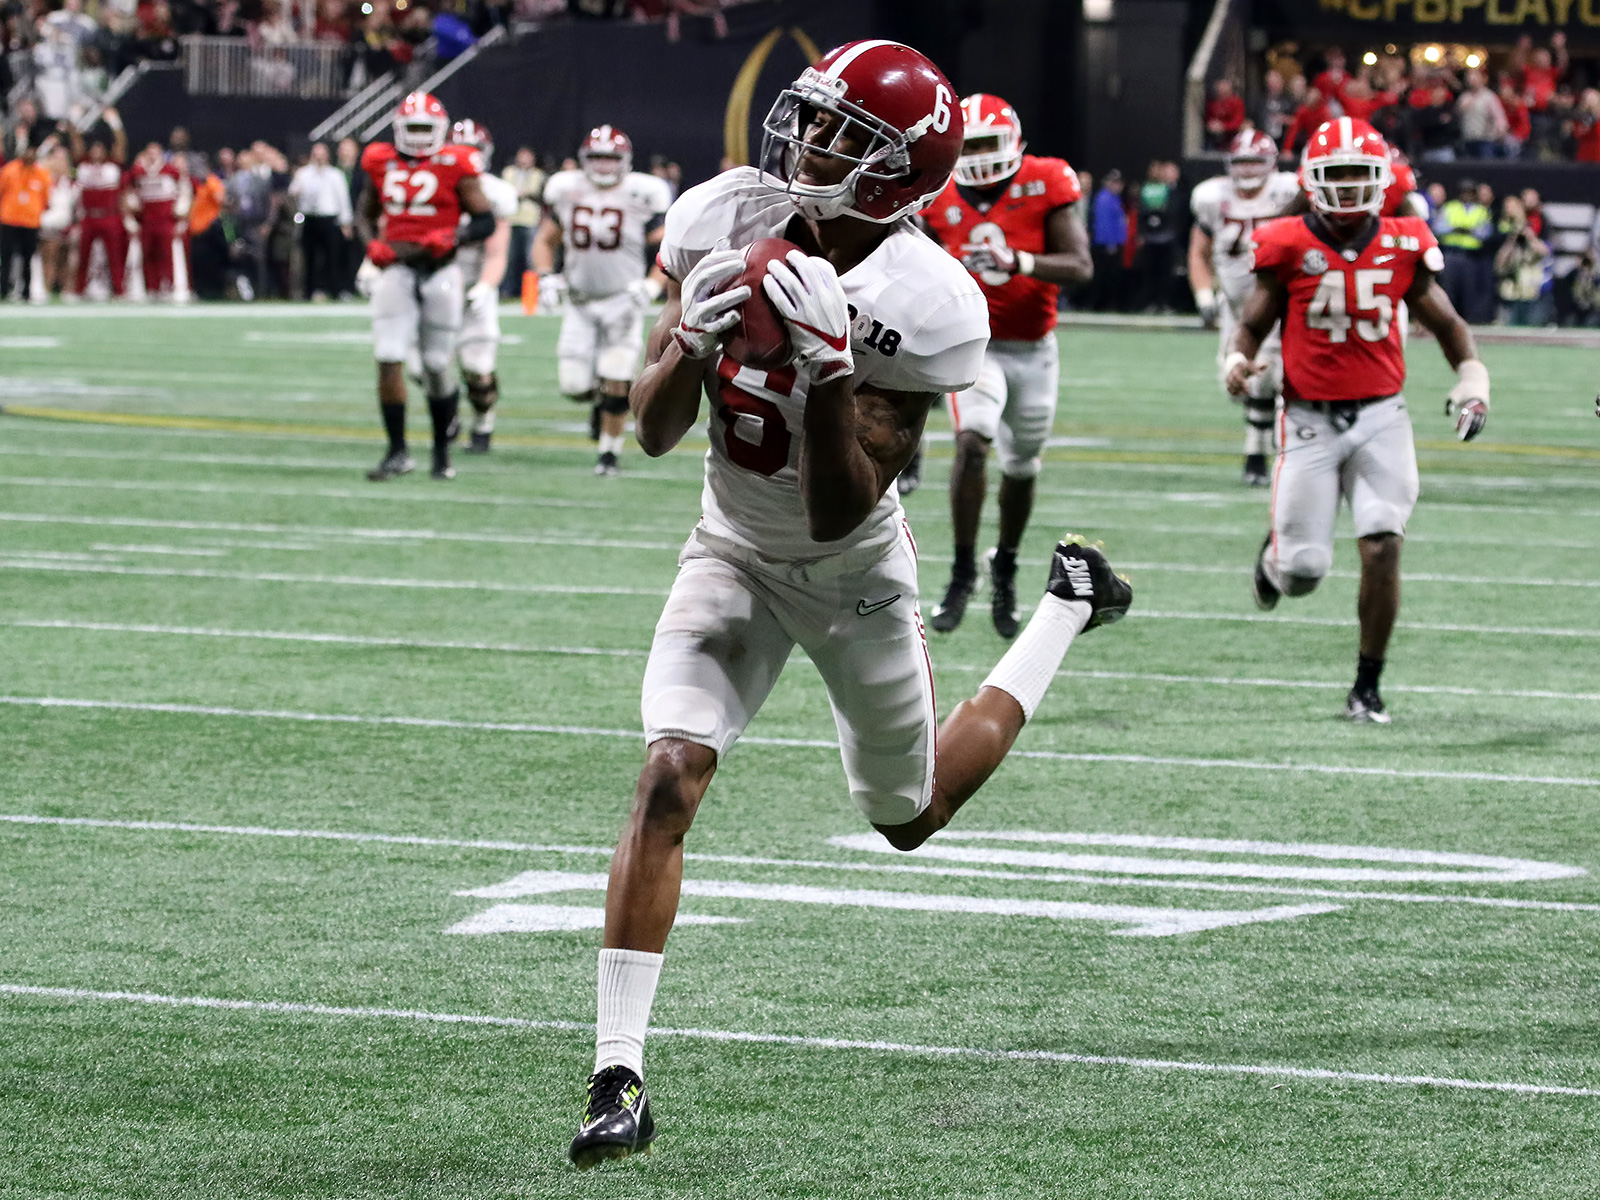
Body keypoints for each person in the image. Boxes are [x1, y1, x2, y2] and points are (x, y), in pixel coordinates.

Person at [567, 39, 1132, 1171]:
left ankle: (1067, 606)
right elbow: (653, 426)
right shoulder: (724, 214)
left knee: (906, 814)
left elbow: (837, 509)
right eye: (811, 119)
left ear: (897, 171)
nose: (807, 144)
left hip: (852, 574)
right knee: (668, 771)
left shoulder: (927, 302)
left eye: (841, 135)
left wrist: (827, 371)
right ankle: (617, 1076)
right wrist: (690, 338)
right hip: (726, 545)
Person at [1225, 116, 1489, 723]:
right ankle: (1275, 559)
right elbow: (1252, 322)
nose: (1347, 186)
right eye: (1334, 174)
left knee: (1383, 544)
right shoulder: (1287, 240)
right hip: (1310, 422)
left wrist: (1473, 379)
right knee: (1303, 571)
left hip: (1381, 417)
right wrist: (1239, 361)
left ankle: (1366, 685)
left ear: (1381, 180)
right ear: (1311, 181)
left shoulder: (1403, 239)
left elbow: (1448, 324)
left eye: (1358, 174)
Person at [922, 92, 1092, 637]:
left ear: (1017, 143)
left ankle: (1006, 562)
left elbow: (1080, 265)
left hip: (1034, 348)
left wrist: (1018, 261)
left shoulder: (1047, 180)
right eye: (969, 144)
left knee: (1022, 467)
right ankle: (963, 567)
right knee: (972, 444)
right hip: (976, 345)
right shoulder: (936, 193)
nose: (980, 156)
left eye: (990, 144)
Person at [356, 91, 494, 481]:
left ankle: (440, 452)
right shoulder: (380, 161)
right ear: (398, 129)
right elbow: (364, 212)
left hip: (441, 271)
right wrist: (371, 245)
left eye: (424, 128)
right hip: (396, 270)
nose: (417, 136)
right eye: (411, 128)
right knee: (387, 356)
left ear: (441, 130)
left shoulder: (457, 163)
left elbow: (485, 222)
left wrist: (454, 237)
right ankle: (398, 451)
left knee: (436, 366)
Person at [532, 125, 671, 476]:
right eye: (598, 157)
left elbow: (669, 246)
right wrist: (546, 276)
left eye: (611, 158)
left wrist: (652, 285)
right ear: (584, 160)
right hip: (579, 302)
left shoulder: (642, 193)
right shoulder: (567, 189)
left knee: (616, 374)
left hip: (622, 301)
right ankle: (600, 403)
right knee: (574, 386)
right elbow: (545, 239)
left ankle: (608, 455)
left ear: (625, 160)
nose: (605, 165)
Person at [1189, 128, 1301, 486]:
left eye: (1256, 161)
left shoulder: (1288, 191)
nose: (1249, 169)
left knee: (1271, 379)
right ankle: (1264, 449)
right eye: (1242, 162)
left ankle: (1261, 455)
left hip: (1279, 304)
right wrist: (1205, 297)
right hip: (1235, 309)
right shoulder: (1212, 197)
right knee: (1234, 384)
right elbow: (1199, 251)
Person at [445, 118, 519, 452]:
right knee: (422, 365)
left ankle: (483, 425)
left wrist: (486, 286)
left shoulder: (495, 193)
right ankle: (445, 410)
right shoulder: (432, 182)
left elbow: (496, 251)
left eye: (472, 150)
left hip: (473, 286)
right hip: (436, 283)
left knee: (477, 369)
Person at [74, 110, 129, 299]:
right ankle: (79, 290)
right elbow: (76, 143)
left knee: (115, 255)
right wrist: (75, 121)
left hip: (109, 216)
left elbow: (121, 144)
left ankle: (119, 290)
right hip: (89, 217)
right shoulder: (83, 165)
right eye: (93, 148)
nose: (96, 151)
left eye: (100, 148)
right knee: (83, 257)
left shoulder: (112, 165)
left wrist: (114, 123)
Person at [288, 141, 352, 299]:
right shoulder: (304, 174)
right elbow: (292, 192)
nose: (319, 158)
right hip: (310, 219)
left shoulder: (335, 174)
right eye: (316, 155)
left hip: (329, 220)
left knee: (333, 257)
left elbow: (343, 199)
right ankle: (309, 292)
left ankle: (335, 290)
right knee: (309, 258)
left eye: (322, 155)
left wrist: (346, 222)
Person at [127, 140, 183, 299]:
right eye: (149, 152)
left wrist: (179, 211)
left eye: (155, 152)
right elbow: (129, 189)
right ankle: (151, 287)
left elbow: (183, 188)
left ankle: (168, 286)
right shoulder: (139, 171)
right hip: (147, 219)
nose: (152, 156)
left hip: (165, 219)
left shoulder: (170, 170)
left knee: (165, 253)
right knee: (148, 253)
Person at [0, 141, 52, 301]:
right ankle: (3, 290)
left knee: (28, 258)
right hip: (9, 219)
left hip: (30, 222)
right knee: (6, 256)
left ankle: (26, 291)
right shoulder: (9, 170)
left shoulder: (42, 174)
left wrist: (34, 211)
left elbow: (45, 199)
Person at [499, 145, 543, 298]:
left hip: (530, 221)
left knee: (530, 258)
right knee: (508, 258)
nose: (524, 160)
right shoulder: (509, 172)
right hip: (510, 220)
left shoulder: (538, 174)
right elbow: (505, 191)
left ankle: (531, 292)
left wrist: (521, 193)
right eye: (522, 156)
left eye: (527, 157)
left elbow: (537, 193)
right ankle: (507, 290)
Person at [1088, 168, 1126, 311]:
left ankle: (1104, 303)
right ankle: (1100, 304)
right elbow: (1104, 224)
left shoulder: (1114, 198)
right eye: (1115, 182)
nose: (1118, 186)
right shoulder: (1104, 198)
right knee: (1104, 275)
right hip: (1106, 245)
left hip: (1113, 243)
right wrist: (1110, 243)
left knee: (1109, 275)